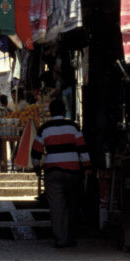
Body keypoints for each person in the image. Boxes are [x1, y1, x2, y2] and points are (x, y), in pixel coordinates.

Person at [31, 97, 90, 248]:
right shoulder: (74, 127)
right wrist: (87, 167)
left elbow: (36, 153)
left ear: (50, 112)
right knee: (72, 204)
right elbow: (83, 150)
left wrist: (37, 166)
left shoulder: (44, 128)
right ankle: (70, 237)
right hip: (72, 171)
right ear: (64, 111)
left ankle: (60, 239)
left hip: (53, 171)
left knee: (56, 206)